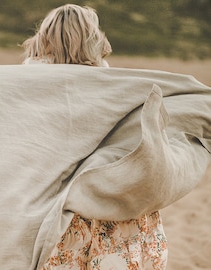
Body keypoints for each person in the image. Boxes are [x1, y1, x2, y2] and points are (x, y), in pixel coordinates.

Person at [22, 4, 168, 269]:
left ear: (45, 38)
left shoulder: (26, 81)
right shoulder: (108, 82)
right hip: (100, 197)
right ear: (91, 39)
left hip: (50, 202)